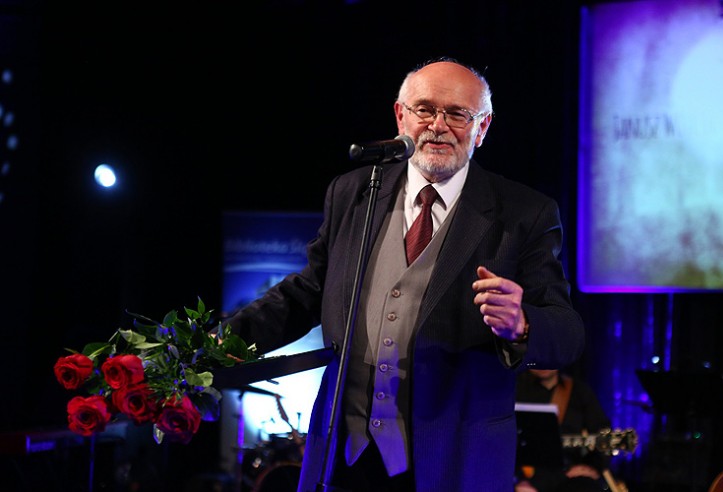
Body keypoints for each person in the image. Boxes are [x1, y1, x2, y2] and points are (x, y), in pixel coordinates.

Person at [223, 57, 585, 492]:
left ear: (482, 127)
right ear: (400, 115)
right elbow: (306, 293)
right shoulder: (354, 191)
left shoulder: (525, 213)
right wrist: (214, 346)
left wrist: (522, 324)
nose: (438, 126)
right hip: (345, 455)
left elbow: (567, 332)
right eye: (424, 110)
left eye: (457, 114)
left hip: (454, 460)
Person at [514, 369, 613, 492]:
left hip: (568, 474)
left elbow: (603, 432)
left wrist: (591, 467)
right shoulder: (515, 388)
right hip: (525, 474)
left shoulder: (578, 391)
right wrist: (517, 478)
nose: (544, 366)